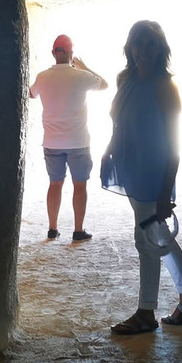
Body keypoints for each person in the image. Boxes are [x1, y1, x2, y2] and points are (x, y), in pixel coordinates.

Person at [100, 20, 182, 334]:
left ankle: (146, 312)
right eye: (139, 44)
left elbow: (174, 143)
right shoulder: (124, 79)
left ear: (161, 50)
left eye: (150, 45)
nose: (144, 51)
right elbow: (118, 123)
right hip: (130, 166)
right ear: (130, 48)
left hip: (152, 171)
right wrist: (107, 153)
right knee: (157, 235)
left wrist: (164, 192)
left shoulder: (165, 87)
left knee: (145, 240)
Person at [29, 34, 109, 241]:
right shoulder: (81, 76)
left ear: (53, 53)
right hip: (78, 142)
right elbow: (104, 85)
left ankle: (52, 229)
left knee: (54, 184)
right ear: (71, 54)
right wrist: (83, 66)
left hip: (52, 142)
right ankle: (78, 230)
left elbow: (31, 93)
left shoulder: (43, 76)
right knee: (79, 185)